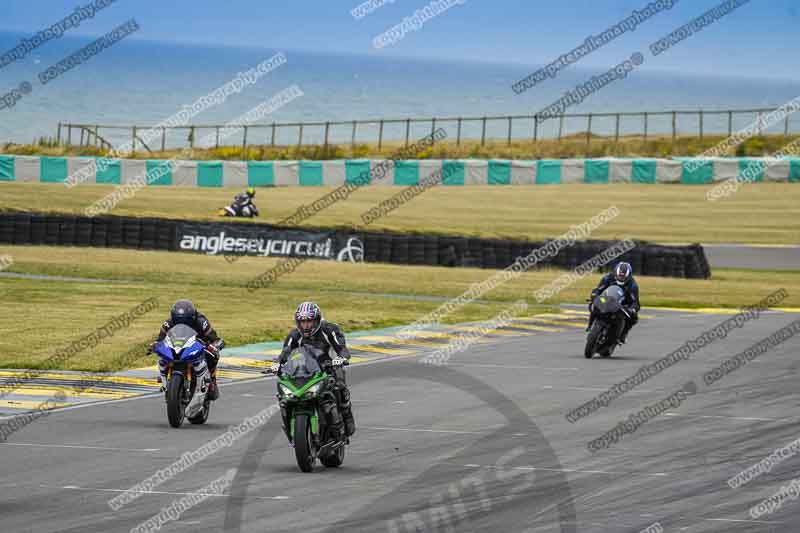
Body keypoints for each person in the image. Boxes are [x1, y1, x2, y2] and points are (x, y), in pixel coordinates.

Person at [275, 302, 356, 437]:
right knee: (283, 396)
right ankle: (290, 425)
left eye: (309, 321)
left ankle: (346, 416)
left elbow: (342, 349)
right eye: (302, 322)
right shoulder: (294, 335)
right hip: (305, 371)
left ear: (317, 320)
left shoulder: (330, 329)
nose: (305, 325)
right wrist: (277, 364)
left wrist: (341, 358)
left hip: (328, 368)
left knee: (339, 386)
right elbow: (285, 353)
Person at [149, 300, 224, 400]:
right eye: (178, 320)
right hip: (178, 347)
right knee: (162, 357)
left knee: (212, 355)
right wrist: (155, 345)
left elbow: (213, 337)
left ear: (192, 317)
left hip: (198, 347)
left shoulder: (201, 321)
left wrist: (214, 345)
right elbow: (161, 338)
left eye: (186, 320)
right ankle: (165, 381)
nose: (182, 323)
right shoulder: (168, 323)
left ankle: (212, 381)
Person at [586, 262, 640, 344]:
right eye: (619, 276)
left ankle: (623, 334)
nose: (621, 278)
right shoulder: (608, 278)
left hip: (621, 305)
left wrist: (632, 309)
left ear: (628, 276)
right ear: (615, 273)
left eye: (623, 276)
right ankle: (590, 325)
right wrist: (594, 295)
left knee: (633, 317)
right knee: (593, 304)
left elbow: (635, 302)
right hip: (606, 299)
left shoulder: (632, 285)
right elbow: (598, 289)